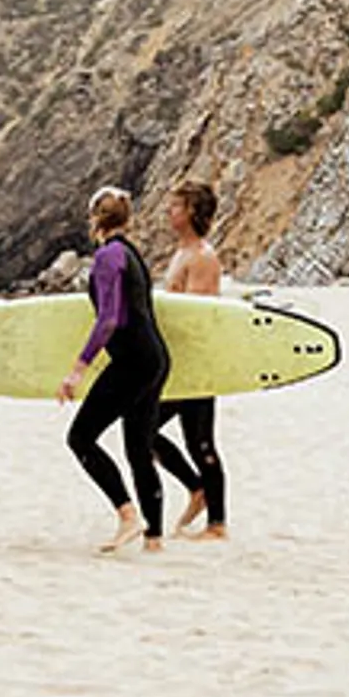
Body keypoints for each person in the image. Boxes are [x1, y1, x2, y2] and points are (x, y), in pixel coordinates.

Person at [54, 185, 191, 553]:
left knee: (80, 438)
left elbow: (109, 318)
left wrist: (78, 369)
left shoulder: (106, 256)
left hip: (132, 360)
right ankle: (154, 540)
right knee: (138, 447)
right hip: (155, 358)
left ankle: (128, 515)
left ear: (94, 219)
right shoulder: (131, 254)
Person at [158, 180, 231, 541]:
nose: (168, 210)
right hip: (180, 365)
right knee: (176, 437)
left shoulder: (203, 257)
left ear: (192, 213)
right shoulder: (182, 252)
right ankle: (198, 492)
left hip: (196, 366)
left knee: (200, 442)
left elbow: (196, 317)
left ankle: (216, 523)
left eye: (175, 205)